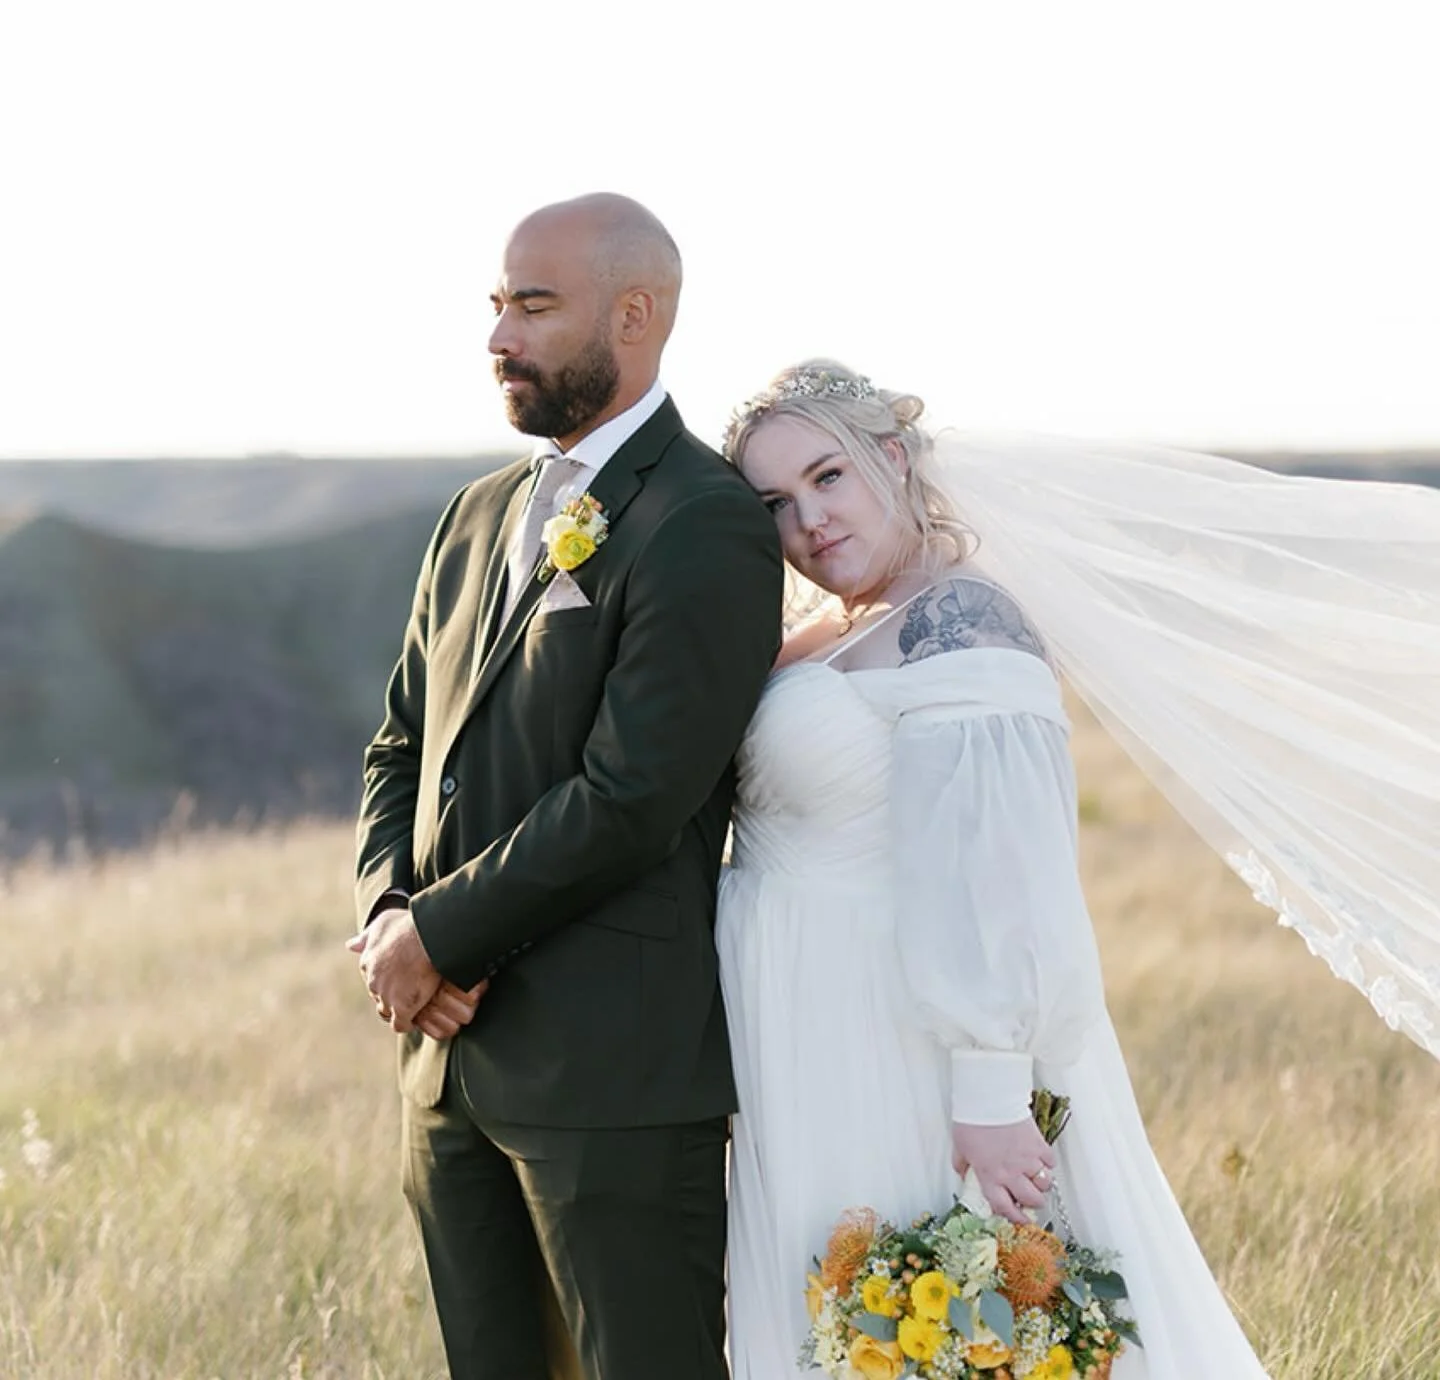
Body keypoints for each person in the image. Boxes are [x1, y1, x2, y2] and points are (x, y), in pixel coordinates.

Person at [718, 359, 1372, 1379]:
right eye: (775, 503)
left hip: (900, 1048)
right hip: (799, 1038)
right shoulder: (840, 630)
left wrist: (989, 1085)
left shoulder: (958, 618)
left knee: (934, 1331)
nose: (808, 520)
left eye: (827, 477)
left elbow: (1002, 860)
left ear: (891, 458)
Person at [350, 194, 783, 1380]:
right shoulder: (476, 514)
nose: (500, 334)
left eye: (533, 305)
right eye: (497, 303)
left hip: (611, 1080)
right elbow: (401, 746)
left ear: (635, 316)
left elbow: (633, 795)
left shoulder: (703, 520)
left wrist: (441, 934)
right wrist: (391, 916)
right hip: (444, 1077)